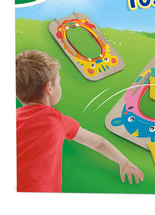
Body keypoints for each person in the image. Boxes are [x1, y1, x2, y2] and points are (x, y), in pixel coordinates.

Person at [16, 50, 144, 192]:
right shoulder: (57, 120)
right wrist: (124, 162)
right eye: (58, 81)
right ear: (49, 88)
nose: (59, 84)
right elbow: (98, 142)